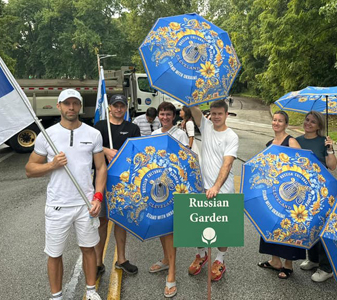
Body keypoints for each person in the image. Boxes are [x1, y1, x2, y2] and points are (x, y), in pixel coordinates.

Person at [25, 89, 106, 300]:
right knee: (54, 254)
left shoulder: (93, 134)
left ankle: (90, 291)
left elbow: (101, 168)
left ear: (80, 106)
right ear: (58, 106)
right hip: (57, 205)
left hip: (85, 205)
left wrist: (98, 196)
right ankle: (56, 296)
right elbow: (30, 169)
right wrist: (52, 165)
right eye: (67, 103)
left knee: (89, 249)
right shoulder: (47, 135)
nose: (71, 107)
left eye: (75, 103)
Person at [189, 100, 239, 282]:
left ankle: (219, 260)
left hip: (222, 191)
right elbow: (192, 107)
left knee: (222, 230)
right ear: (209, 114)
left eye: (220, 113)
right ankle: (201, 255)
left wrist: (216, 187)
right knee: (199, 226)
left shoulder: (231, 136)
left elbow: (227, 164)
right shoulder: (206, 126)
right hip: (202, 189)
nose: (216, 116)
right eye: (213, 113)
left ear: (226, 114)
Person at [94, 94, 140, 278]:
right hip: (102, 182)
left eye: (122, 106)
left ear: (125, 107)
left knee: (121, 222)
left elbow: (137, 154)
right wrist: (105, 150)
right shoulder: (99, 127)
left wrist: (120, 154)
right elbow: (89, 148)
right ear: (110, 108)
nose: (119, 109)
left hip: (124, 183)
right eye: (115, 106)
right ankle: (98, 262)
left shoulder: (133, 128)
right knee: (102, 222)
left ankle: (121, 259)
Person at [257, 111, 305, 279]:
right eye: (274, 120)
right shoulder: (270, 143)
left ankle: (288, 264)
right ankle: (274, 260)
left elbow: (302, 165)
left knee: (287, 225)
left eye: (280, 121)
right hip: (273, 192)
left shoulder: (291, 141)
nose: (276, 123)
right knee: (272, 224)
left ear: (286, 124)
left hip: (290, 192)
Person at [149, 101, 188, 298]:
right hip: (157, 188)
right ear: (158, 116)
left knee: (170, 228)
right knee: (160, 226)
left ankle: (172, 273)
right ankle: (165, 259)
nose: (165, 117)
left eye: (168, 114)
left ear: (174, 116)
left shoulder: (180, 134)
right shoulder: (154, 134)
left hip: (174, 187)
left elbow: (184, 159)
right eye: (162, 114)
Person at [295, 110, 337, 282]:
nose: (308, 123)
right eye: (307, 120)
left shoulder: (323, 142)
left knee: (321, 228)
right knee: (307, 225)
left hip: (321, 192)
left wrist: (330, 149)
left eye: (313, 122)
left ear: (319, 126)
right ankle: (313, 259)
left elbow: (332, 167)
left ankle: (326, 268)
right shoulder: (296, 141)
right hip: (302, 191)